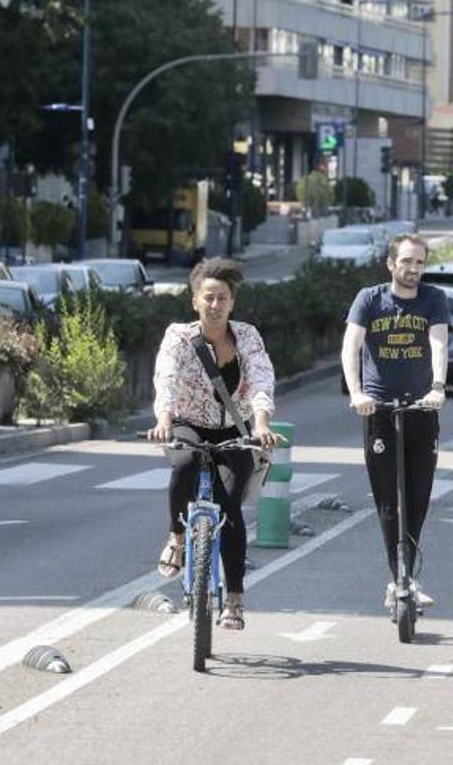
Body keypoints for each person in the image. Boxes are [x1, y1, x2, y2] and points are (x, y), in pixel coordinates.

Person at [146, 258, 280, 631]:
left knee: (230, 510)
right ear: (195, 301)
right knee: (185, 464)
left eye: (222, 298)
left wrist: (263, 422)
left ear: (232, 302)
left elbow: (261, 378)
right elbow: (167, 377)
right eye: (208, 298)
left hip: (233, 430)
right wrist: (164, 419)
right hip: (187, 423)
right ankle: (176, 537)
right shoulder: (179, 337)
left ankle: (234, 599)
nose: (215, 305)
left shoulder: (248, 337)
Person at [341, 233, 449, 609]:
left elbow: (438, 343)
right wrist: (357, 394)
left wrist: (437, 387)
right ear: (391, 264)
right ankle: (398, 577)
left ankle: (410, 577)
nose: (413, 269)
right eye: (407, 261)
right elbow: (350, 347)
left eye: (420, 262)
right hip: (379, 411)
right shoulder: (370, 299)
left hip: (422, 409)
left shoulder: (434, 299)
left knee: (417, 498)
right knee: (389, 501)